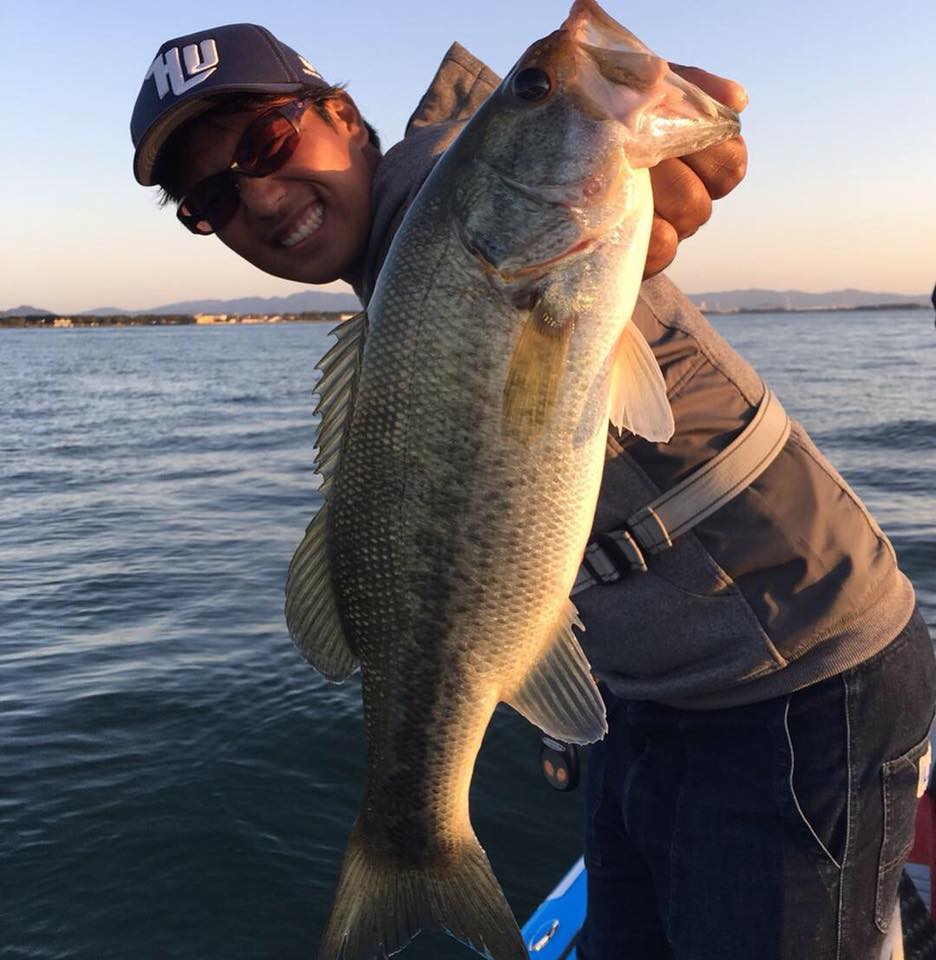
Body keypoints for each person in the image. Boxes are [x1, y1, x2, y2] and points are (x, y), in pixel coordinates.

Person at [131, 20, 935, 960]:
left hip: (796, 676)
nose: (260, 198)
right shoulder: (402, 276)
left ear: (343, 117)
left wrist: (653, 141)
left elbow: (632, 167)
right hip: (642, 695)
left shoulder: (457, 193)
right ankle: (416, 846)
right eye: (212, 201)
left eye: (269, 143)